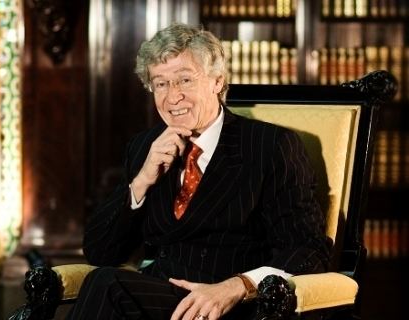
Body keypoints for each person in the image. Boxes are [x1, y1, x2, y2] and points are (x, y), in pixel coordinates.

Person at [66, 23, 331, 320]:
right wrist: (141, 181)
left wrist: (238, 286)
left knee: (107, 286)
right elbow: (100, 252)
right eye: (161, 84)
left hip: (232, 304)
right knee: (103, 281)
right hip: (160, 296)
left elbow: (308, 250)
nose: (172, 97)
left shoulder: (270, 146)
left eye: (184, 80)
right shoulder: (145, 147)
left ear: (217, 81)